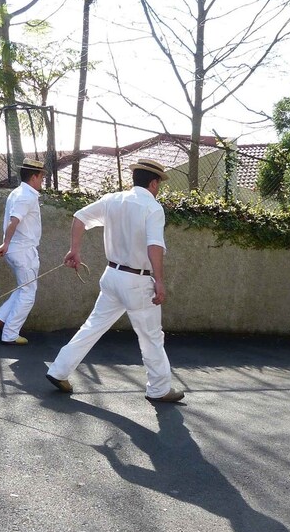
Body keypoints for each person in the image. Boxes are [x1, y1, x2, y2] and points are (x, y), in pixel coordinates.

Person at [45, 159, 185, 403]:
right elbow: (154, 246)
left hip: (111, 276)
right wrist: (159, 281)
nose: (158, 188)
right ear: (153, 183)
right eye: (159, 184)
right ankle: (159, 389)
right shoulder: (152, 208)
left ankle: (58, 370)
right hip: (137, 281)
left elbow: (79, 217)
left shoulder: (113, 199)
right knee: (151, 336)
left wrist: (74, 250)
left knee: (93, 326)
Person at [0, 158, 46, 345]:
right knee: (29, 293)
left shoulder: (18, 192)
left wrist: (7, 245)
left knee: (24, 288)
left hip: (17, 250)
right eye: (41, 177)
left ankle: (1, 318)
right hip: (22, 251)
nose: (42, 181)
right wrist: (5, 243)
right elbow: (14, 220)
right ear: (33, 177)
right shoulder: (26, 196)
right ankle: (10, 334)